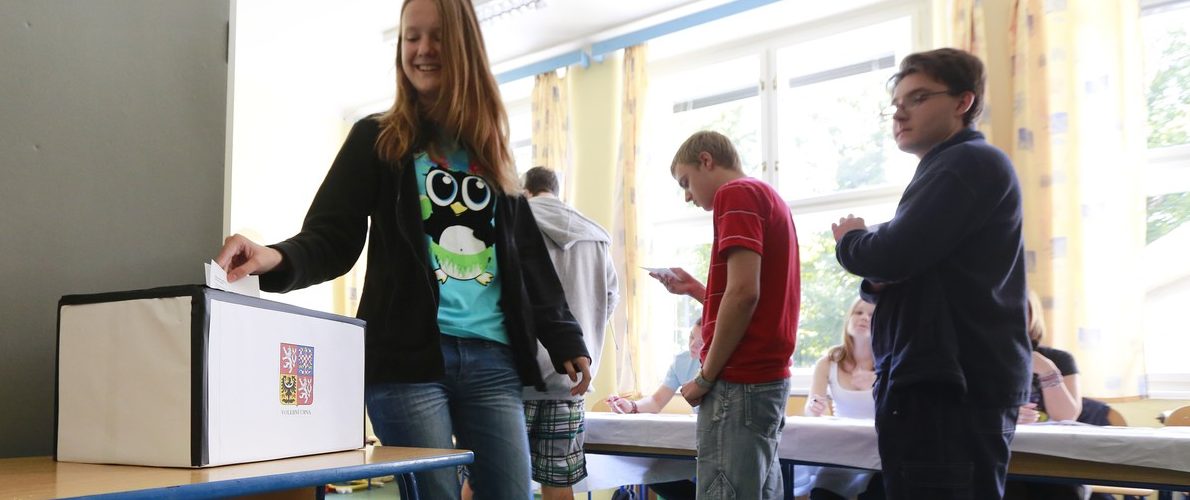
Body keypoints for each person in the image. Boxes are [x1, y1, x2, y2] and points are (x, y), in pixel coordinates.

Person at [214, 1, 591, 498]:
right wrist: (276, 258)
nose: (423, 49)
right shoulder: (376, 139)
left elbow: (527, 259)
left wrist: (563, 335)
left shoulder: (491, 150)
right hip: (406, 363)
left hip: (493, 361)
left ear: (465, 47)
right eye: (412, 37)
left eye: (437, 37)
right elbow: (333, 235)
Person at [831, 47, 1032, 499]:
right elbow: (907, 265)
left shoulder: (967, 163)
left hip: (950, 386)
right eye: (896, 104)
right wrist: (879, 271)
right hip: (938, 382)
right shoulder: (947, 168)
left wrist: (851, 240)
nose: (900, 113)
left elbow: (895, 254)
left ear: (963, 101)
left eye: (918, 98)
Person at [655, 130, 800, 500]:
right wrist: (696, 290)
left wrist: (705, 377)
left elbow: (744, 294)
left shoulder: (735, 194)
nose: (687, 196)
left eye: (685, 182)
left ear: (706, 160)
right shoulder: (767, 196)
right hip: (765, 379)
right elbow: (753, 297)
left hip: (739, 381)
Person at [521, 166, 620, 500]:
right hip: (573, 377)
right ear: (556, 191)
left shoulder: (513, 221)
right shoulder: (594, 235)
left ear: (526, 191)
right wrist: (585, 334)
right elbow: (610, 298)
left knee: (489, 478)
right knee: (559, 481)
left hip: (516, 376)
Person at [1003, 290, 1085, 500]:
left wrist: (1047, 370)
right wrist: (1007, 415)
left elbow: (1066, 416)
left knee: (1061, 491)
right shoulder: (986, 360)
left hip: (1055, 457)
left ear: (1034, 315)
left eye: (1022, 311)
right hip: (1007, 454)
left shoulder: (1059, 359)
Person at [799, 298, 883, 500]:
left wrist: (878, 382)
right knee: (821, 493)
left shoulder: (889, 364)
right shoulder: (828, 362)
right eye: (858, 312)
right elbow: (811, 408)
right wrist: (815, 408)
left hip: (879, 454)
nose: (864, 318)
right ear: (848, 319)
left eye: (871, 315)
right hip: (842, 452)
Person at [606, 318, 703, 415]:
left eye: (701, 343)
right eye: (691, 337)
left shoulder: (712, 368)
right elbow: (656, 401)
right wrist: (631, 406)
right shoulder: (681, 363)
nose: (692, 345)